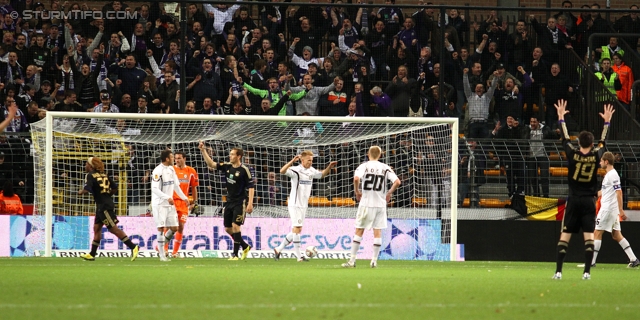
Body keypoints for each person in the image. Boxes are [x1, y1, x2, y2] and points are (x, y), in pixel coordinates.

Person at [552, 99, 614, 280]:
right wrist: (607, 122)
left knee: (565, 236)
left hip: (573, 199)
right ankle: (587, 272)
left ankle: (558, 272)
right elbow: (603, 142)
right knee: (589, 237)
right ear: (591, 143)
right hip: (588, 201)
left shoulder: (572, 153)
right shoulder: (596, 156)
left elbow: (564, 139)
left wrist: (561, 118)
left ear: (578, 142)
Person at [342, 146, 401, 268]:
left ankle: (352, 261)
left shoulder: (364, 166)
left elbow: (356, 178)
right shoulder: (385, 167)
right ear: (380, 155)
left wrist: (357, 191)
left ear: (368, 154)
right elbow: (397, 182)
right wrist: (389, 193)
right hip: (380, 205)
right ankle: (374, 261)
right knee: (377, 232)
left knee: (359, 230)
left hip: (366, 203)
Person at [274, 151, 337, 262]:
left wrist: (329, 167)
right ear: (302, 160)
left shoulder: (311, 171)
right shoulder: (296, 170)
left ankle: (278, 249)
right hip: (295, 203)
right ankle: (299, 257)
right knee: (297, 229)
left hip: (303, 204)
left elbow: (322, 175)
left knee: (297, 229)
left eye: (312, 160)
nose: (311, 162)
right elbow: (282, 171)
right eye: (309, 160)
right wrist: (292, 161)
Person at [198, 141, 255, 261]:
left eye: (233, 154)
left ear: (239, 156)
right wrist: (203, 151)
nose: (230, 156)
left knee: (235, 226)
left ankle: (235, 254)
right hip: (229, 202)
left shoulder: (245, 170)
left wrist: (250, 203)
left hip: (240, 202)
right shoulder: (227, 166)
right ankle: (245, 246)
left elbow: (251, 187)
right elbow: (211, 164)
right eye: (230, 154)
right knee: (227, 228)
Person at [78, 157, 139, 261]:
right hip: (103, 205)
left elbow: (87, 188)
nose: (85, 166)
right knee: (96, 229)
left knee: (113, 229)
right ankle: (92, 254)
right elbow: (115, 187)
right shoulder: (104, 174)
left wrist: (80, 192)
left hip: (104, 206)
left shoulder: (90, 175)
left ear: (91, 166)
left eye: (86, 164)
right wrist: (107, 195)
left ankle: (133, 247)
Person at [587, 152, 639, 268]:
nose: (599, 163)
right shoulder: (609, 175)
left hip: (608, 209)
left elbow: (619, 192)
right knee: (616, 235)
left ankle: (591, 262)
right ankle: (633, 259)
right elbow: (604, 192)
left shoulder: (612, 175)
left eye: (601, 161)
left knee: (597, 232)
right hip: (611, 209)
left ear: (606, 162)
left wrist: (621, 210)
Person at [151, 150, 190, 261]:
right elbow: (154, 188)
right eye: (172, 157)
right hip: (160, 204)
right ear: (167, 159)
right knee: (161, 228)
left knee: (174, 228)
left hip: (169, 204)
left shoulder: (171, 169)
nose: (174, 159)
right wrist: (167, 197)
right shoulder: (157, 171)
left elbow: (176, 186)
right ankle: (162, 256)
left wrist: (184, 198)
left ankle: (160, 246)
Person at [162, 151, 198, 258]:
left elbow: (194, 188)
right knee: (169, 225)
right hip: (171, 201)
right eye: (176, 158)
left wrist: (194, 202)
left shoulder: (191, 171)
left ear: (184, 159)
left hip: (184, 203)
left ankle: (175, 252)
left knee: (181, 227)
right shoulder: (170, 170)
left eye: (179, 158)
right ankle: (165, 249)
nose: (177, 160)